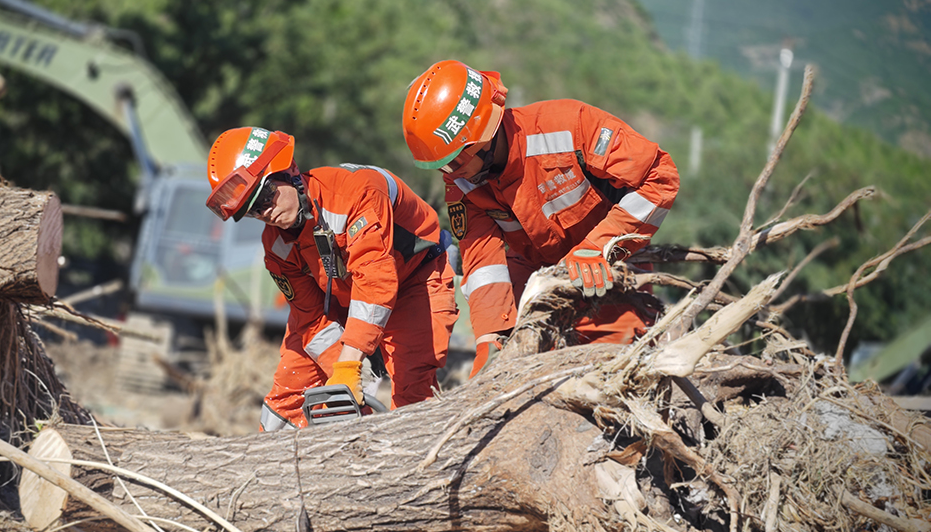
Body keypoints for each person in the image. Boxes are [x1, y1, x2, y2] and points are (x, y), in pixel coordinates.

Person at [402, 60, 679, 377]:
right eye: (440, 165)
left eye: (452, 162)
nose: (447, 173)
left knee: (614, 373)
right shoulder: (463, 179)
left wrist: (601, 247)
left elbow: (660, 178)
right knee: (523, 373)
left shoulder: (570, 127)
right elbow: (483, 264)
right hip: (533, 268)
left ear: (481, 138)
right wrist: (490, 338)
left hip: (609, 266)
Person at [205, 126, 459, 430]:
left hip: (415, 281)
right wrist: (345, 377)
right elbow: (311, 321)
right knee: (284, 404)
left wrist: (350, 364)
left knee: (410, 393)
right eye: (253, 210)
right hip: (348, 297)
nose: (265, 213)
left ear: (291, 172)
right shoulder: (276, 246)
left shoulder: (356, 192)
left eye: (266, 197)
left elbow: (375, 281)